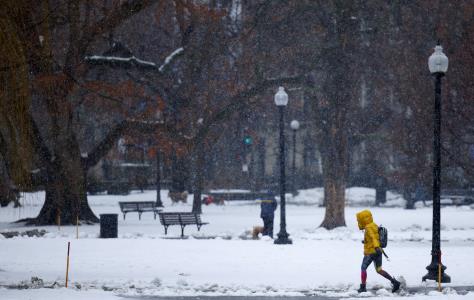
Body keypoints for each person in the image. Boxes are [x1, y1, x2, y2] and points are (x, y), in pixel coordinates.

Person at [356, 209, 400, 293]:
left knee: (363, 268)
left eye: (359, 220)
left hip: (371, 252)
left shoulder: (368, 227)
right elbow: (374, 237)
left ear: (363, 219)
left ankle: (363, 287)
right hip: (378, 251)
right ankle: (394, 282)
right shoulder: (373, 225)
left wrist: (375, 246)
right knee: (379, 270)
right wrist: (366, 241)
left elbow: (373, 237)